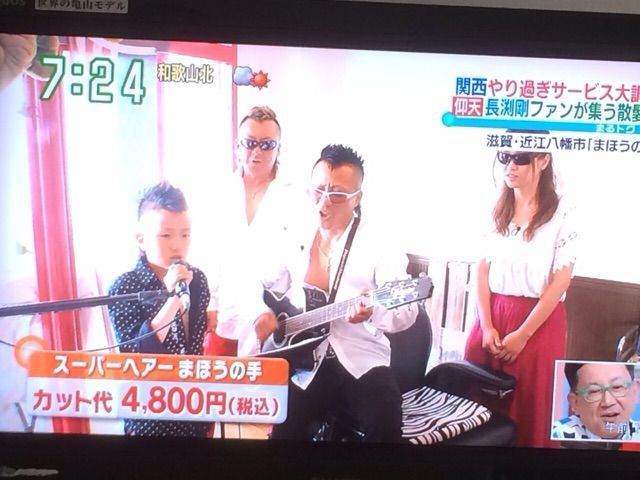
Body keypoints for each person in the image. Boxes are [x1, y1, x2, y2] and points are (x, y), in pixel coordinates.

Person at [269, 144, 418, 443]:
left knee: (386, 423)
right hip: (304, 359)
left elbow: (407, 313)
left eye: (337, 194)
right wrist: (265, 315)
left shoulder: (380, 243)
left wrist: (372, 312)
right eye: (318, 190)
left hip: (361, 357)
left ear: (357, 199)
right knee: (281, 429)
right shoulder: (295, 234)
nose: (324, 203)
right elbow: (269, 286)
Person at [463, 149, 578, 448]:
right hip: (492, 314)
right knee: (475, 403)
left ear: (543, 160)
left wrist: (523, 334)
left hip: (537, 321)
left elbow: (560, 281)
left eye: (521, 158)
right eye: (505, 157)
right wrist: (487, 325)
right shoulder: (496, 207)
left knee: (530, 407)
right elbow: (481, 270)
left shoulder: (563, 212)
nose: (510, 166)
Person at [108, 182, 212, 437]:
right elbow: (136, 352)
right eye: (166, 235)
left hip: (193, 408)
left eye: (185, 235)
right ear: (141, 239)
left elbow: (195, 346)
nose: (177, 245)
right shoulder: (125, 286)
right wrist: (171, 297)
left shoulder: (197, 279)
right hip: (149, 415)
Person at [201, 106, 300, 357]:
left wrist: (294, 311)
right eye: (249, 143)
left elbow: (301, 265)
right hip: (225, 316)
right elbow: (209, 255)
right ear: (238, 146)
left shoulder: (296, 197)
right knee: (218, 379)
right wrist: (210, 302)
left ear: (278, 149)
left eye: (266, 145)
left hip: (272, 319)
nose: (257, 151)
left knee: (265, 381)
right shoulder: (219, 192)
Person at [552, 362, 640, 441]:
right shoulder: (557, 436)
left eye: (617, 387)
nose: (608, 402)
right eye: (594, 391)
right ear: (575, 403)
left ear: (635, 392)